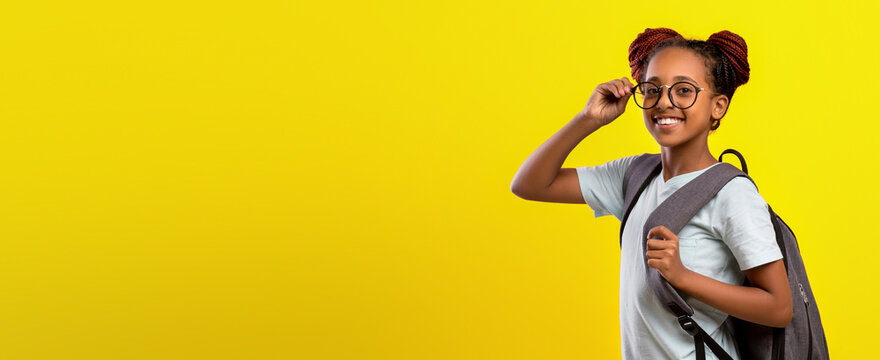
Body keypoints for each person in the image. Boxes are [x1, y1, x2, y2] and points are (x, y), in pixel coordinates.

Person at [510, 28, 793, 359]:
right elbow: (529, 184)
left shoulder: (732, 195)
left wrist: (682, 277)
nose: (663, 102)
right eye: (652, 89)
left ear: (718, 106)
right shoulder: (634, 176)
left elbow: (779, 307)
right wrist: (588, 119)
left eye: (684, 90)